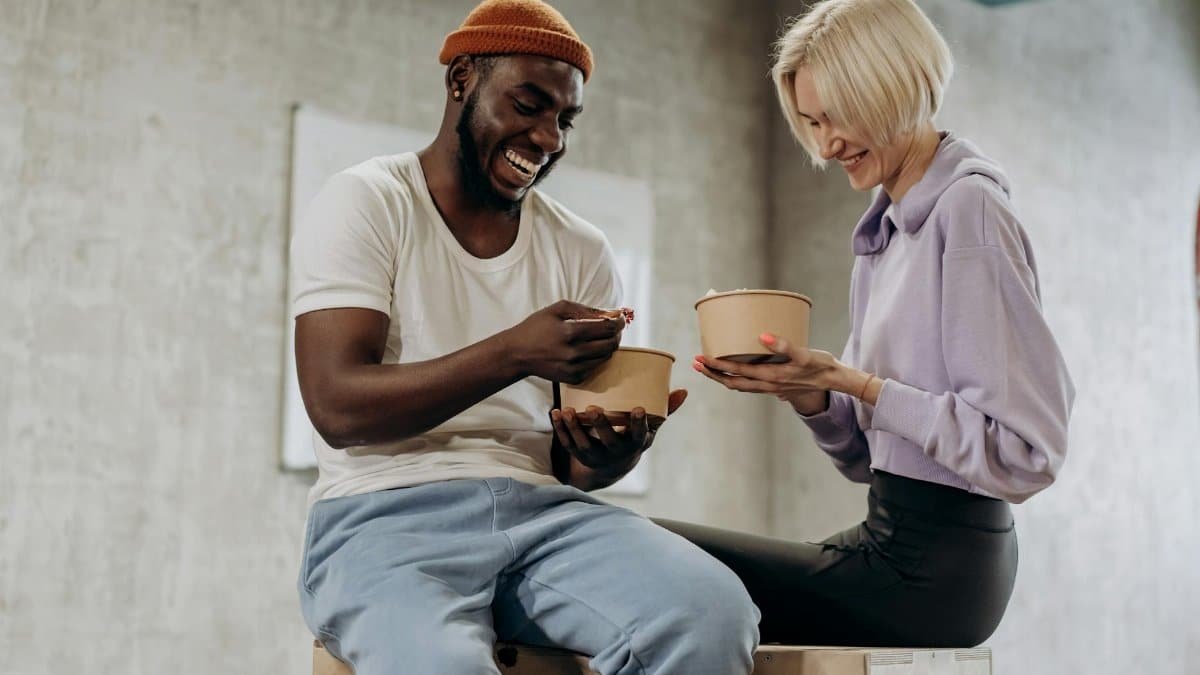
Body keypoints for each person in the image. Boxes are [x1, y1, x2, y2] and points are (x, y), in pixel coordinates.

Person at [289, 1, 759, 673]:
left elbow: (574, 469)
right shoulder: (368, 201)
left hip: (545, 516)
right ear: (462, 82)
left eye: (565, 119)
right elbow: (337, 407)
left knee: (711, 612)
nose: (550, 139)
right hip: (380, 516)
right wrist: (514, 352)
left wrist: (610, 451)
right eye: (529, 105)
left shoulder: (581, 248)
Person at [675, 0, 1075, 647]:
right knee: (650, 556)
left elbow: (1026, 452)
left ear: (891, 86)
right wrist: (807, 389)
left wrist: (860, 384)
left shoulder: (968, 210)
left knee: (662, 555)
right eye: (811, 122)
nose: (826, 143)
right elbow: (868, 458)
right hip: (890, 540)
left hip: (945, 569)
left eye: (837, 114)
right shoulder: (881, 237)